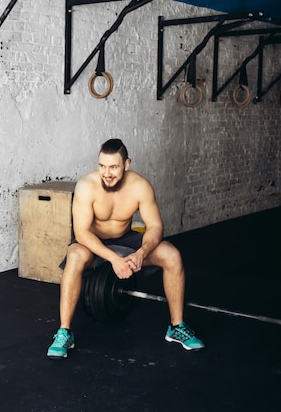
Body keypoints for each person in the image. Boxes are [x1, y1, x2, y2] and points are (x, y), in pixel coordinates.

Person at [47, 139, 204, 359]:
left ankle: (176, 327)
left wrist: (141, 253)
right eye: (102, 166)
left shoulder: (140, 186)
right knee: (74, 255)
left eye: (113, 167)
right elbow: (82, 233)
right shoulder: (86, 186)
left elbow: (156, 226)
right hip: (93, 243)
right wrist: (114, 259)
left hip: (126, 240)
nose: (107, 173)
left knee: (171, 254)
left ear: (126, 164)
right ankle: (64, 332)